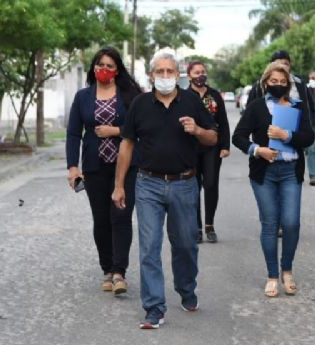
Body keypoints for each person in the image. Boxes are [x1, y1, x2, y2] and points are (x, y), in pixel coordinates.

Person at [111, 50, 217, 329]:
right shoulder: (140, 104)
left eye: (170, 71)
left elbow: (212, 136)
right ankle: (154, 308)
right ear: (151, 75)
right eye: (160, 71)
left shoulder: (191, 102)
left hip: (184, 183)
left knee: (185, 244)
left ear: (178, 75)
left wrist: (197, 130)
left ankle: (186, 288)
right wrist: (119, 185)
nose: (166, 76)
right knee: (149, 247)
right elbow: (127, 144)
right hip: (148, 184)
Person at [232, 61, 315, 298]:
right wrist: (258, 150)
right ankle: (272, 275)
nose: (278, 85)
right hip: (264, 173)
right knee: (270, 224)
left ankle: (287, 270)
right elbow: (238, 137)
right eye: (273, 81)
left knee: (291, 223)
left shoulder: (298, 107)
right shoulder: (256, 107)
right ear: (265, 82)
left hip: (290, 171)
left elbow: (309, 137)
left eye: (282, 81)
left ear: (288, 84)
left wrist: (286, 135)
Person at [66, 46, 141, 295]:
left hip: (126, 167)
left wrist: (115, 131)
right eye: (100, 65)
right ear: (94, 68)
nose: (104, 70)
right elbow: (74, 133)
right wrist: (73, 167)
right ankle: (107, 269)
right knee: (101, 219)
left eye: (109, 66)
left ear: (117, 70)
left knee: (121, 216)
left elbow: (141, 127)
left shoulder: (130, 95)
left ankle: (120, 272)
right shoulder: (83, 97)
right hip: (94, 167)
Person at [187, 61, 231, 243]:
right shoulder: (184, 96)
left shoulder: (214, 95)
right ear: (189, 76)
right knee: (193, 187)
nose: (200, 75)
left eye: (203, 72)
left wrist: (225, 146)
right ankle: (196, 227)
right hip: (190, 147)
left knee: (211, 184)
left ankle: (209, 225)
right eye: (196, 72)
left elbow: (223, 121)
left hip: (212, 147)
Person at [247, 50, 313, 115]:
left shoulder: (300, 83)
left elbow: (310, 108)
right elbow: (249, 112)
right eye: (278, 64)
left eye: (285, 64)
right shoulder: (259, 85)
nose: (282, 67)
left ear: (290, 65)